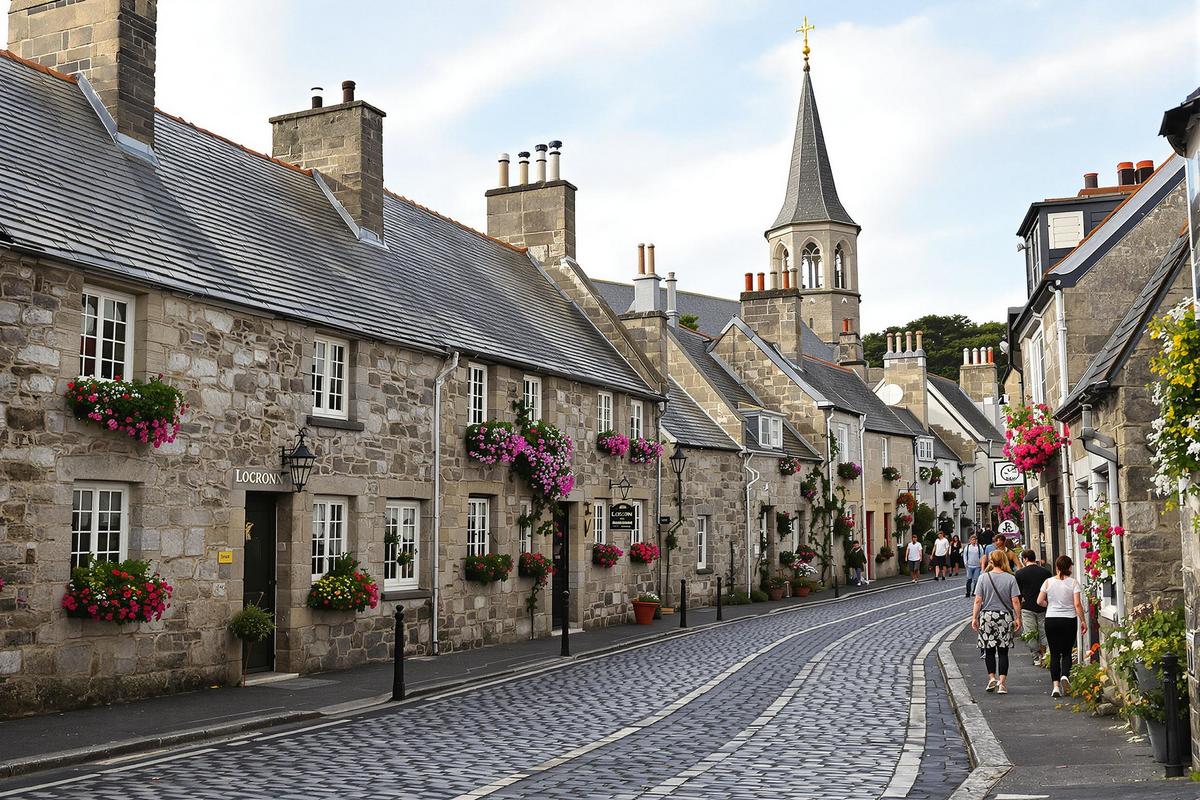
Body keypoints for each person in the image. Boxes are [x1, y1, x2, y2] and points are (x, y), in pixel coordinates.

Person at [972, 550, 1022, 694]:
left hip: (987, 617)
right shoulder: (1011, 578)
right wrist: (1017, 618)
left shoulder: (983, 578)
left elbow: (978, 600)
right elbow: (1015, 601)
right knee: (1003, 651)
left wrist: (974, 617)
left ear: (991, 561)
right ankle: (1002, 683)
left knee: (988, 650)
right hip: (1005, 617)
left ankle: (991, 678)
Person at [1038, 555, 1086, 697]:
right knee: (1066, 652)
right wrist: (1083, 620)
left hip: (1051, 619)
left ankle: (1056, 686)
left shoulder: (1048, 582)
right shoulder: (1073, 583)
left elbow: (1039, 601)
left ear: (1057, 567)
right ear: (1070, 567)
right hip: (1068, 620)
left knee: (1054, 653)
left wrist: (1050, 605)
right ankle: (1065, 675)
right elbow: (1077, 604)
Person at [1015, 549, 1051, 667]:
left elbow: (1018, 595)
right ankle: (1048, 656)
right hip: (1043, 606)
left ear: (1025, 559)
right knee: (1044, 632)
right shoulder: (1045, 572)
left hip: (1027, 607)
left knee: (1030, 633)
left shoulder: (1020, 574)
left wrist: (1017, 614)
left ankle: (1036, 657)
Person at [963, 533, 985, 597]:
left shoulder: (979, 547)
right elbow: (965, 555)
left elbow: (982, 555)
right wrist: (965, 563)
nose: (973, 541)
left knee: (976, 580)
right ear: (970, 540)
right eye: (972, 540)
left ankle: (974, 592)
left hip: (977, 566)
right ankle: (968, 592)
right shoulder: (967, 547)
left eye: (975, 540)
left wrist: (981, 564)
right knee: (969, 579)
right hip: (969, 565)